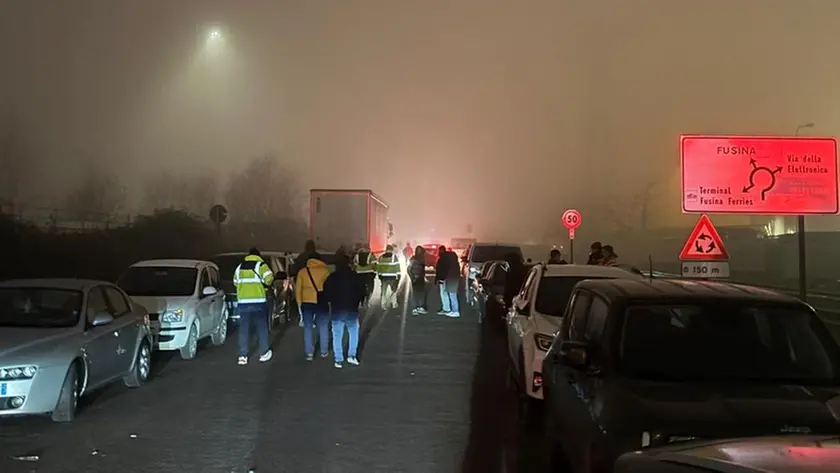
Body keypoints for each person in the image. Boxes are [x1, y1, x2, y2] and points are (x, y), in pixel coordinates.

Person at [323, 250, 366, 368]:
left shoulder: (332, 277)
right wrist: (359, 302)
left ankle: (338, 359)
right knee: (353, 332)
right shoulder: (355, 276)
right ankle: (352, 356)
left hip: (337, 310)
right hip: (352, 309)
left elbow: (326, 293)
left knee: (337, 335)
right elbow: (362, 291)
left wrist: (331, 302)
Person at [233, 248, 275, 365]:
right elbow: (269, 279)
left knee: (243, 329)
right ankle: (264, 353)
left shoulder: (239, 267)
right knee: (262, 327)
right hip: (258, 302)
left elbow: (235, 282)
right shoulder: (261, 265)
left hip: (243, 303)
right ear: (258, 255)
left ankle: (242, 356)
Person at [295, 246, 331, 361]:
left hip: (307, 303)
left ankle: (309, 353)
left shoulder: (302, 272)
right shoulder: (325, 271)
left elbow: (298, 291)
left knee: (308, 328)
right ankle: (324, 351)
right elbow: (330, 288)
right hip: (322, 301)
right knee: (324, 326)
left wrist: (299, 305)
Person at [435, 246, 460, 317]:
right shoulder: (455, 263)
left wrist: (441, 279)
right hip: (453, 278)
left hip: (449, 279)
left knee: (450, 294)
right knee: (452, 294)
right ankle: (453, 310)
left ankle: (454, 311)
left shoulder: (444, 260)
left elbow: (441, 271)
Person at [376, 244, 401, 311]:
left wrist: (379, 275)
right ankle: (394, 304)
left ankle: (383, 304)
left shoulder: (381, 257)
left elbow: (378, 267)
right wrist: (398, 276)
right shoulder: (394, 257)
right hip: (392, 277)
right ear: (392, 250)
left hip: (384, 277)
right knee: (394, 291)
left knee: (383, 291)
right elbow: (397, 267)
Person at [407, 246, 428, 315]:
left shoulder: (413, 258)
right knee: (421, 293)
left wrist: (412, 277)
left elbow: (409, 269)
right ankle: (420, 307)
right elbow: (422, 270)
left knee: (415, 293)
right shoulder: (422, 259)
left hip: (415, 278)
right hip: (419, 278)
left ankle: (415, 308)